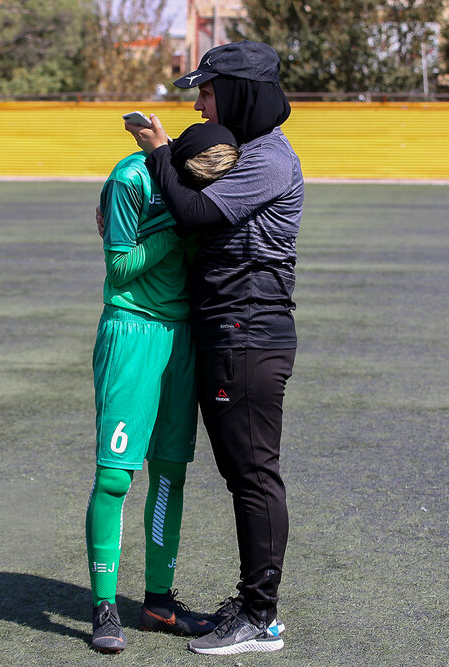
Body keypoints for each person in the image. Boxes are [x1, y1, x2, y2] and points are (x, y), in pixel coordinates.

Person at [124, 40, 303, 656]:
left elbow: (194, 213)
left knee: (253, 474)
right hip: (228, 331)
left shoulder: (270, 159)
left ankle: (260, 616)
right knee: (242, 473)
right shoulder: (246, 150)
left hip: (246, 333)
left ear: (239, 92)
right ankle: (256, 607)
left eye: (207, 92)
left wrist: (158, 155)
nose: (200, 104)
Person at [86, 123, 241, 654]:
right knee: (114, 478)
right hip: (132, 332)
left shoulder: (211, 186)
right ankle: (103, 605)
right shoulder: (131, 179)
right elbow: (119, 267)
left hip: (184, 338)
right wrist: (174, 230)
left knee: (171, 474)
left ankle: (157, 602)